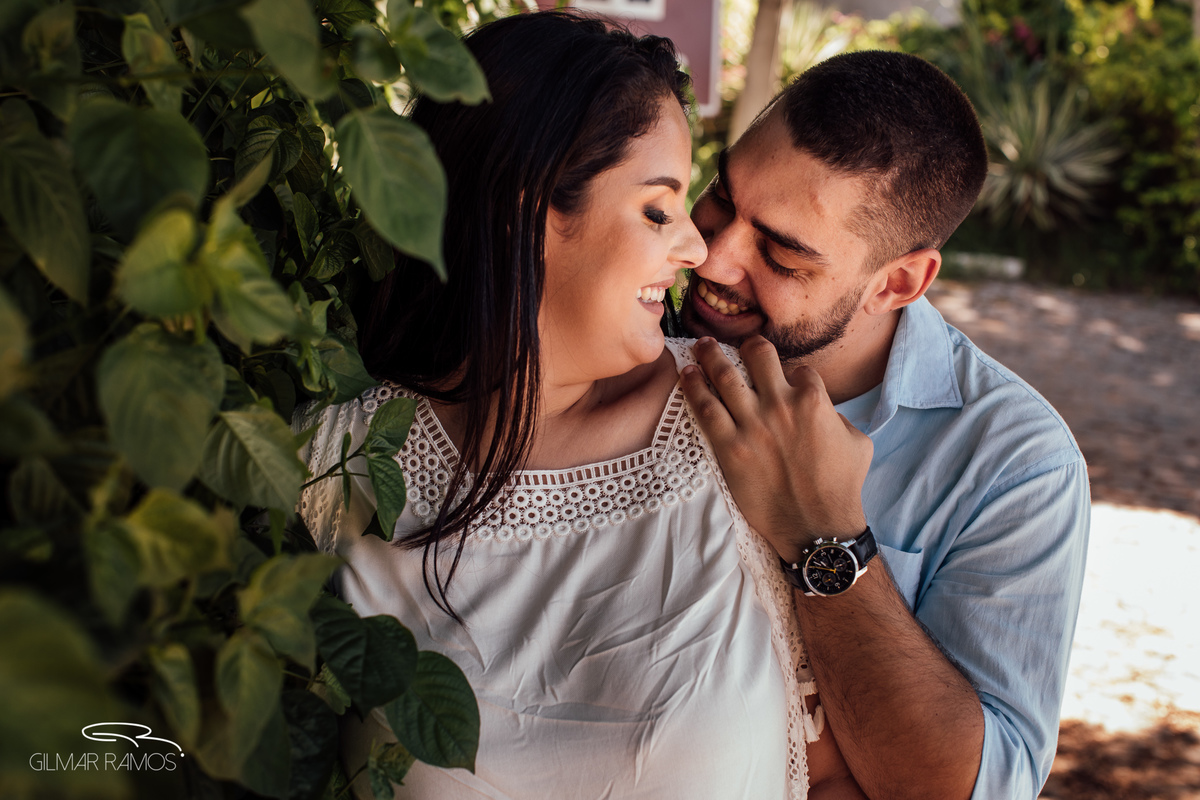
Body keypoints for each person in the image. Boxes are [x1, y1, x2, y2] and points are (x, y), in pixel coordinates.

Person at [296, 12, 858, 799]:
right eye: (659, 210)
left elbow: (840, 773)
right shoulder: (337, 457)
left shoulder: (738, 424)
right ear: (524, 209)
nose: (696, 250)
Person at [676, 51, 1091, 800]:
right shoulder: (631, 334)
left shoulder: (1015, 463)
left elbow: (973, 790)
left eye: (779, 252)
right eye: (719, 195)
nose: (711, 256)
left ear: (896, 283)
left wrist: (825, 539)